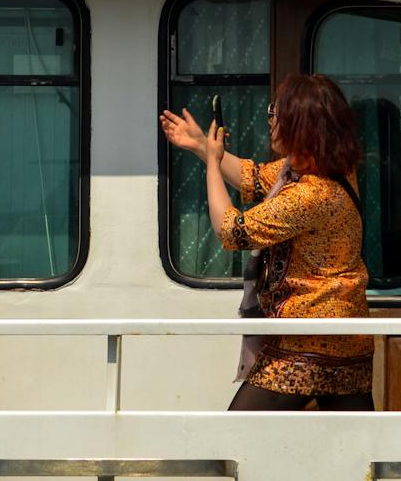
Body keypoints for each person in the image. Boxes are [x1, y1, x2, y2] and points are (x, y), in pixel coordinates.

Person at [160, 72, 373, 410]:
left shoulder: (311, 195)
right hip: (343, 338)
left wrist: (213, 165)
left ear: (301, 126)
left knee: (240, 433)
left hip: (309, 343)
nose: (271, 122)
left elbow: (232, 230)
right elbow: (253, 177)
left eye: (278, 114)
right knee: (353, 446)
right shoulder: (329, 171)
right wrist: (203, 146)